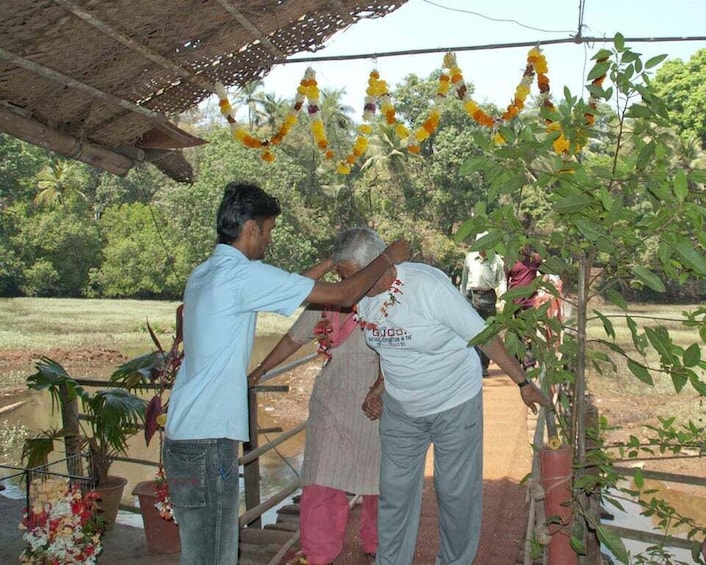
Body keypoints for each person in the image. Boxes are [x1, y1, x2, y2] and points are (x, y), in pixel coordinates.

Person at [163, 183, 408, 565]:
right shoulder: (239, 277)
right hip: (209, 442)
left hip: (182, 435)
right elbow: (343, 296)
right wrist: (386, 258)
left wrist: (333, 261)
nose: (270, 239)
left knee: (198, 551)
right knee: (215, 554)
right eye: (270, 229)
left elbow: (292, 284)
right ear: (251, 228)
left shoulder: (207, 272)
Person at [331, 227, 552, 565]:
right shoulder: (360, 298)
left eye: (351, 276)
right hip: (402, 410)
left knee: (455, 495)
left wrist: (522, 382)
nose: (348, 285)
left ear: (376, 263)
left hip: (454, 403)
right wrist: (379, 386)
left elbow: (485, 336)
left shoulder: (429, 287)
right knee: (395, 496)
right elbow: (389, 347)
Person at [249, 304, 381, 564]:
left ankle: (378, 543)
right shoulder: (325, 303)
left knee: (377, 480)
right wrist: (259, 371)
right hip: (328, 401)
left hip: (373, 401)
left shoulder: (380, 302)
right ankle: (319, 553)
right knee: (320, 478)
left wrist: (381, 389)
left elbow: (399, 350)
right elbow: (292, 339)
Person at [459, 231, 507, 376]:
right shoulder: (469, 258)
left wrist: (503, 299)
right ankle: (475, 365)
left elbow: (502, 281)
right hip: (472, 296)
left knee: (487, 333)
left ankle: (484, 366)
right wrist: (462, 299)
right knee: (473, 332)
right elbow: (464, 280)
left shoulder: (497, 261)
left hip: (488, 297)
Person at [505, 243, 543, 369]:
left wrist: (530, 253)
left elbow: (540, 261)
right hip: (515, 303)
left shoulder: (533, 261)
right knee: (516, 331)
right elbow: (505, 279)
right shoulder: (512, 261)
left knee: (529, 332)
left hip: (530, 302)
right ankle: (518, 359)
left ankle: (529, 363)